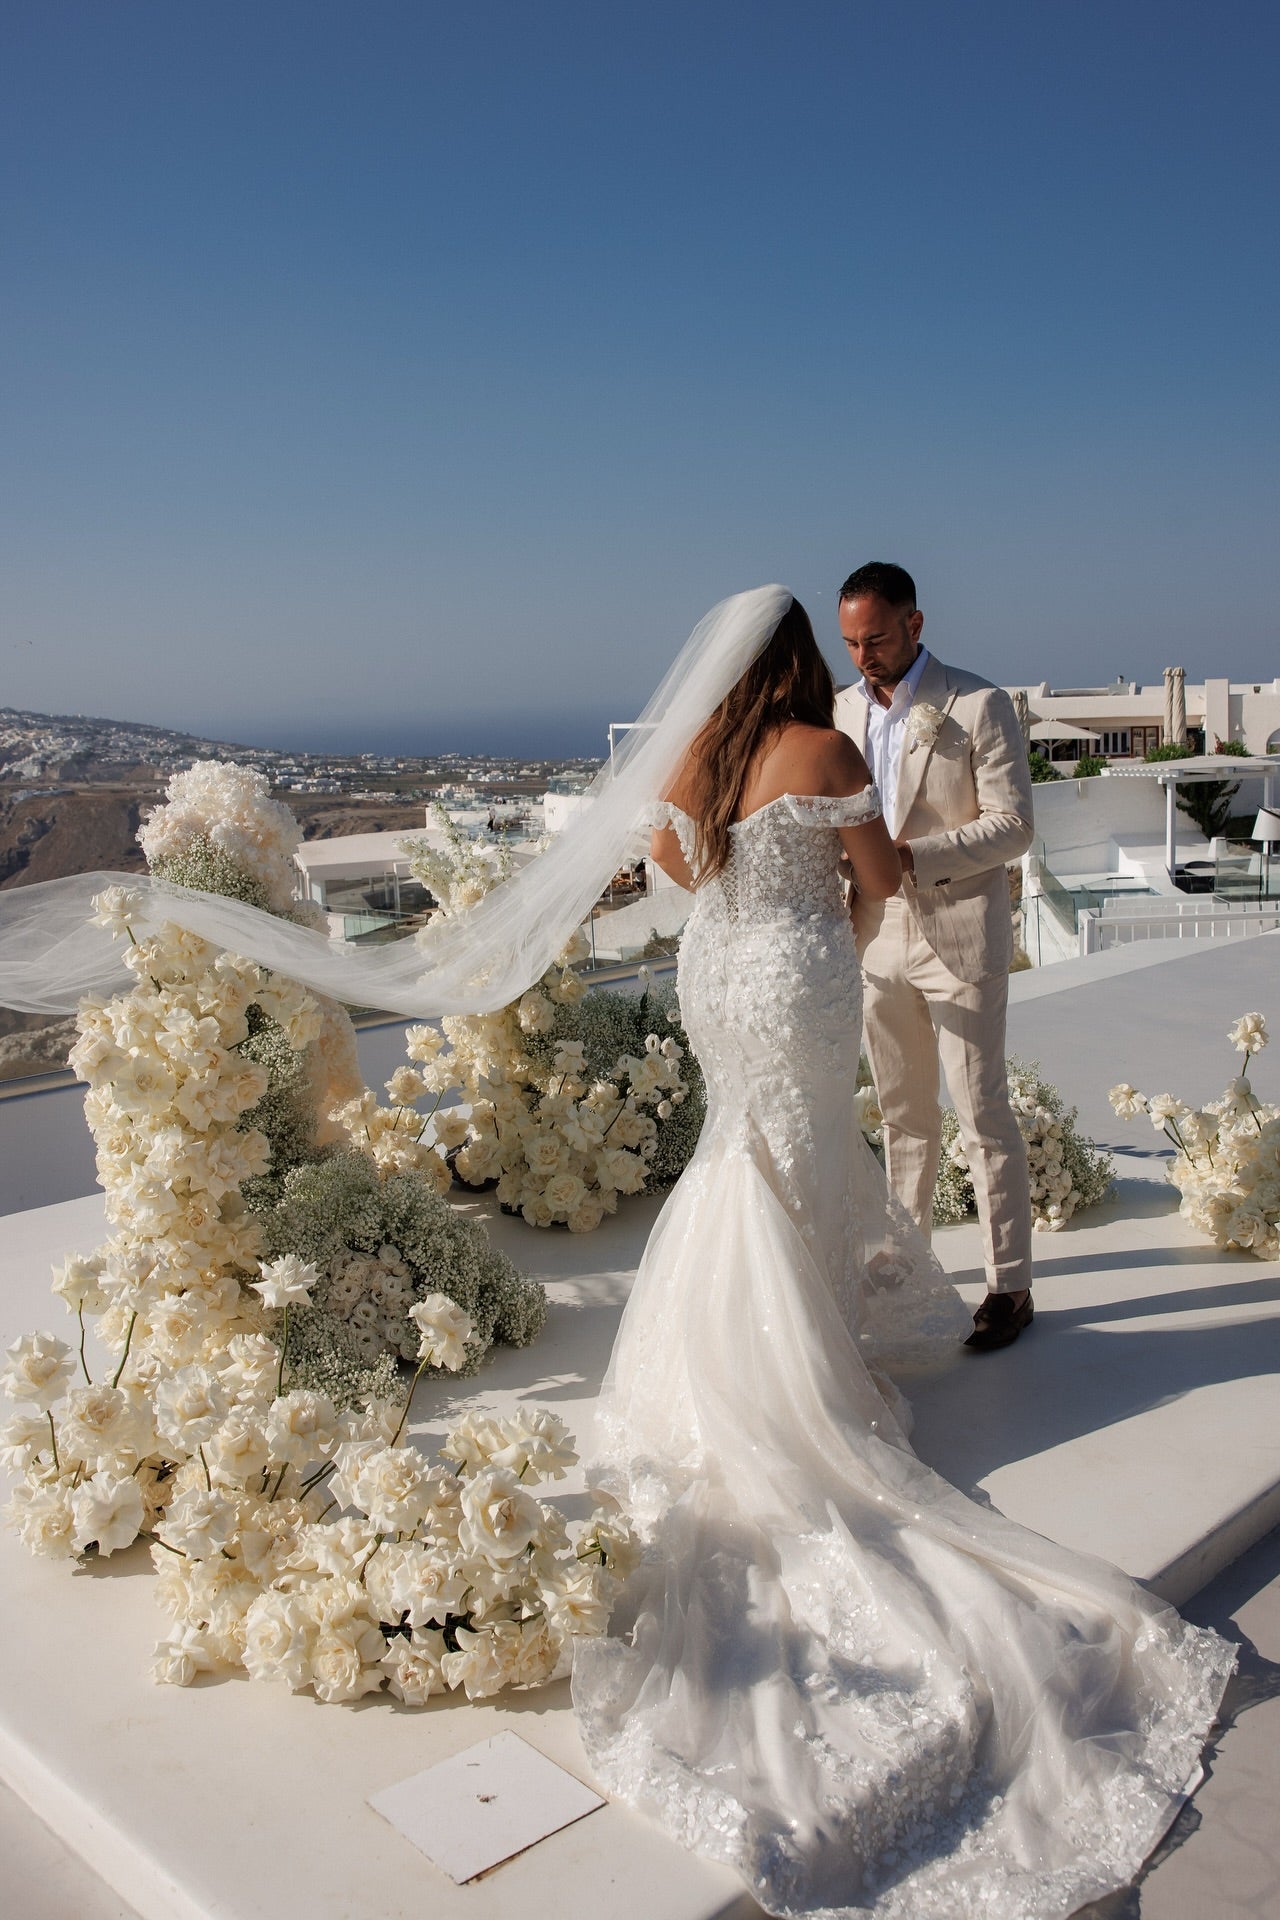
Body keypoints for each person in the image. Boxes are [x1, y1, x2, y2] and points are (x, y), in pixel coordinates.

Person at [0, 587, 1233, 1918]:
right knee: (798, 1161)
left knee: (736, 1159)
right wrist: (838, 910)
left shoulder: (698, 756)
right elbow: (881, 883)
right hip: (801, 979)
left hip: (718, 977)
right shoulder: (822, 750)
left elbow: (675, 877)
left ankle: (753, 1350)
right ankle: (802, 1365)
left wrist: (751, 890)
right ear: (802, 658)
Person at [835, 562, 1036, 1351]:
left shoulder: (979, 705)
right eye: (849, 641)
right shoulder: (840, 711)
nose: (863, 656)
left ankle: (1009, 1286)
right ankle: (908, 1269)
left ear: (915, 624)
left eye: (876, 637)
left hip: (957, 934)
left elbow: (1014, 828)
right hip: (874, 936)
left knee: (983, 1114)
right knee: (902, 1115)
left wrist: (909, 856)